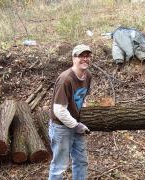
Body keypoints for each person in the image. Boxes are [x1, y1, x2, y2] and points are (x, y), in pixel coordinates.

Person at [48, 44, 92, 180]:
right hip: (61, 127)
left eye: (87, 56)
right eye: (81, 56)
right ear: (73, 58)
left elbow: (83, 97)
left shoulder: (88, 75)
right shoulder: (65, 79)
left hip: (76, 123)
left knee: (81, 161)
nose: (85, 59)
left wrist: (82, 115)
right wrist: (76, 125)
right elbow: (59, 110)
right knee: (59, 166)